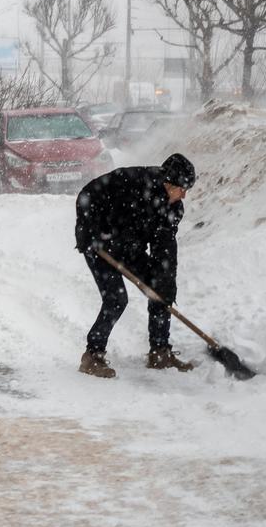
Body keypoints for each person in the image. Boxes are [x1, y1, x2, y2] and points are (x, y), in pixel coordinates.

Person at [74, 153, 197, 378]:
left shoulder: (173, 208)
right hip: (100, 243)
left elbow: (165, 250)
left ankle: (159, 352)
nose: (185, 195)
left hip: (130, 248)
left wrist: (165, 285)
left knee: (161, 290)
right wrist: (87, 232)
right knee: (116, 299)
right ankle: (92, 356)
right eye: (182, 188)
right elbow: (87, 195)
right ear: (169, 183)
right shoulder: (130, 182)